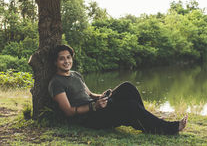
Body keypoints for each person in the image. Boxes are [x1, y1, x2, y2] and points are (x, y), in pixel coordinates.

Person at [48, 44, 187, 135]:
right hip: (88, 118)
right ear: (55, 62)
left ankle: (147, 119)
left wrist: (101, 96)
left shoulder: (76, 74)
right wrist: (94, 106)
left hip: (96, 107)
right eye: (62, 59)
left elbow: (89, 94)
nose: (66, 61)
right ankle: (173, 128)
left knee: (127, 87)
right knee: (130, 106)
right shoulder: (56, 83)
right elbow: (68, 112)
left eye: (68, 57)